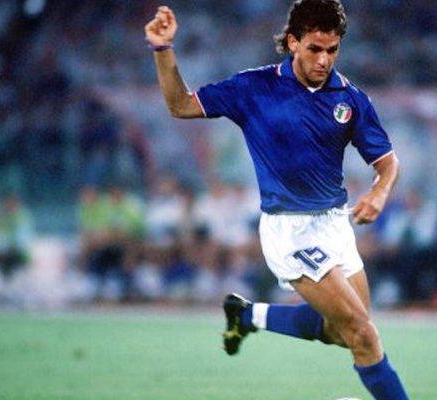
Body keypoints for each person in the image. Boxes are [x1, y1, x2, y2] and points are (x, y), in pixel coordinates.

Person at [145, 1, 409, 398]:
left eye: (332, 50)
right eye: (315, 48)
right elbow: (180, 104)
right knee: (363, 333)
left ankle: (248, 315)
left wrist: (378, 191)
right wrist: (163, 49)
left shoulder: (350, 98)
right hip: (290, 230)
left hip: (335, 224)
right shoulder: (254, 87)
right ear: (293, 42)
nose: (324, 60)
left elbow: (387, 163)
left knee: (345, 332)